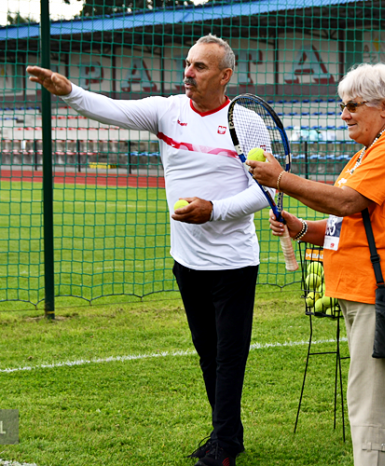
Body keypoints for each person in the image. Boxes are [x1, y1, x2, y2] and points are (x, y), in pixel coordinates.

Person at [27, 35, 269, 466]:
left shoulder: (246, 121)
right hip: (187, 262)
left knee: (229, 358)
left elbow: (264, 190)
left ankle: (224, 449)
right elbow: (111, 110)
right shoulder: (167, 110)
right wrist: (69, 92)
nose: (188, 74)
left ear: (225, 75)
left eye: (200, 68)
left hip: (234, 263)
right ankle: (227, 436)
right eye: (188, 65)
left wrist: (213, 210)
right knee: (207, 353)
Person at [247, 63, 385, 466]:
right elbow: (344, 223)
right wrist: (300, 228)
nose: (343, 113)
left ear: (384, 107)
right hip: (367, 290)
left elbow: (348, 203)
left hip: (379, 293)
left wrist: (281, 180)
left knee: (369, 411)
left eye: (352, 105)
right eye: (341, 105)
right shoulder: (366, 154)